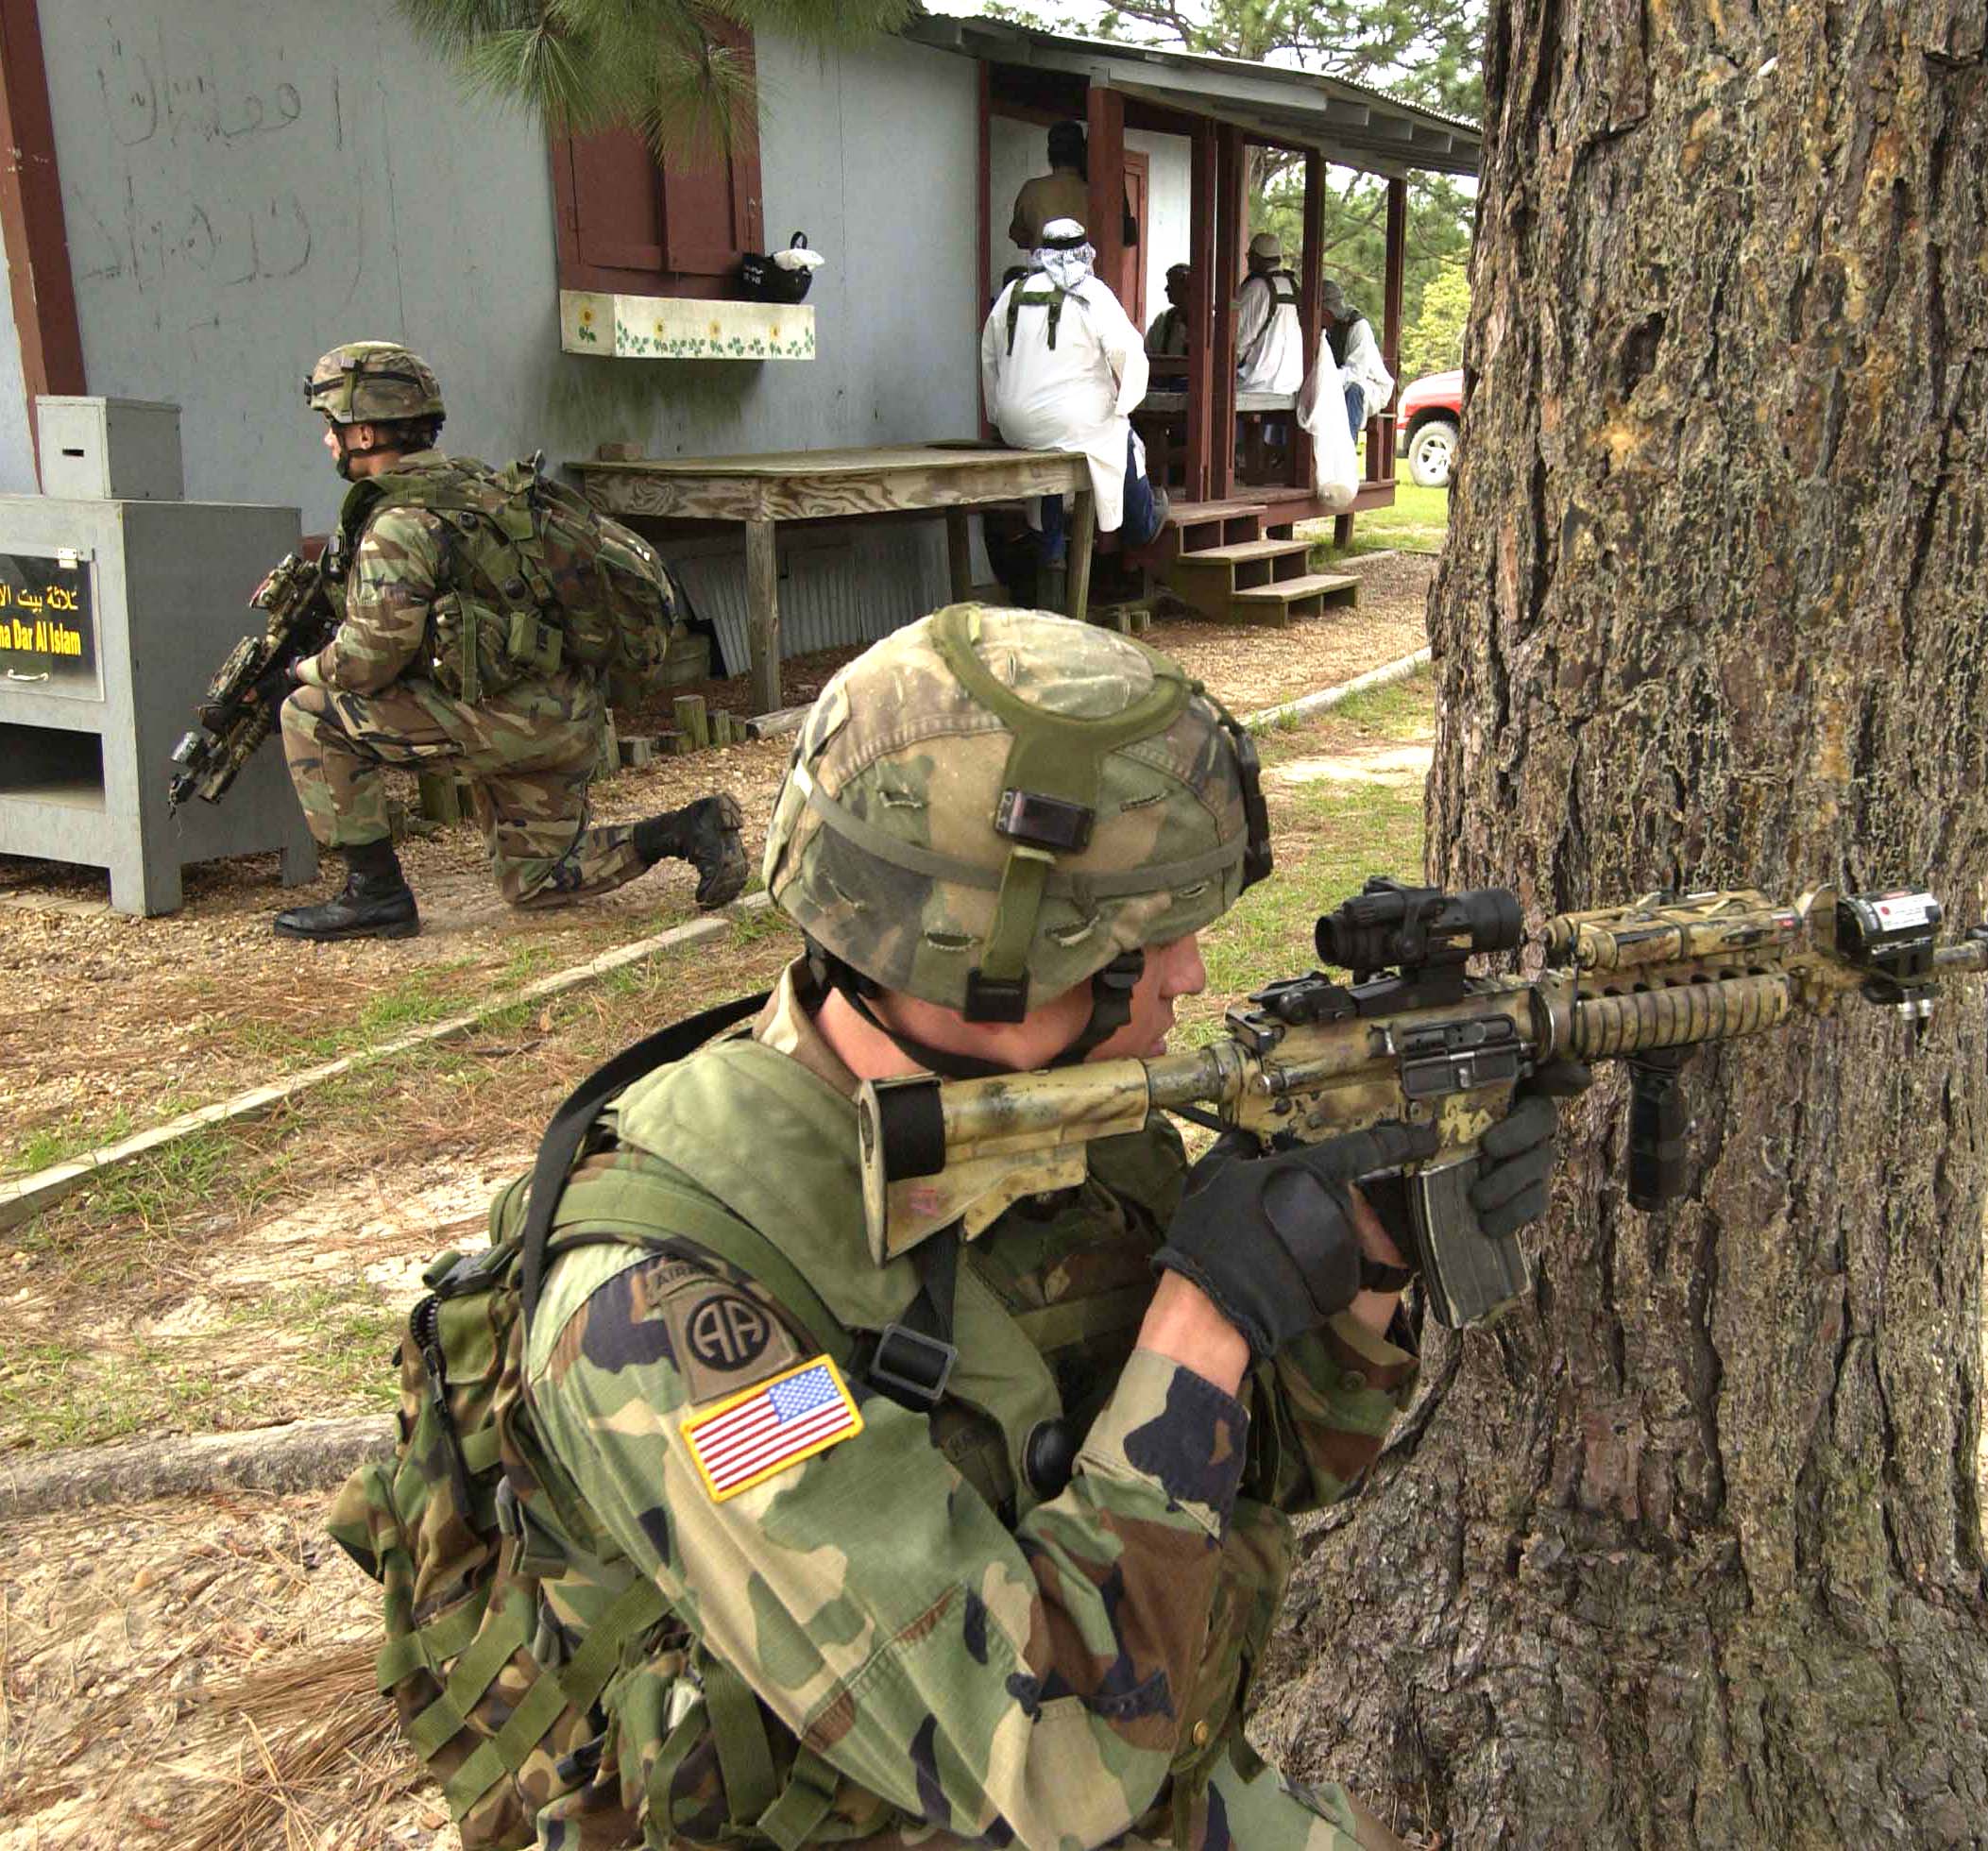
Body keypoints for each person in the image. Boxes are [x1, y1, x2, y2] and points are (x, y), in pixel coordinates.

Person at [510, 604, 1583, 1846]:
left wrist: (1363, 1256)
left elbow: (1266, 1474)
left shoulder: (1056, 1121)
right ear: (986, 953)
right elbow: (1052, 1768)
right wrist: (1207, 1314)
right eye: (1139, 938)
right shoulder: (657, 1312)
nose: (1185, 977)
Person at [274, 343, 746, 941]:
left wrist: (303, 669)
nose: (327, 441)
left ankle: (376, 895)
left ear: (364, 433)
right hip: (568, 716)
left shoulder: (397, 526)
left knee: (310, 715)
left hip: (500, 722)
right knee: (538, 880)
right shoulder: (483, 487)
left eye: (331, 427)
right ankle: (686, 828)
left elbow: (368, 662)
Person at [981, 220, 1164, 573]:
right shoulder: (1092, 292)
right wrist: (1125, 405)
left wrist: (998, 413)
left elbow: (989, 356)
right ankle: (1140, 525)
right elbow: (1128, 352)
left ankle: (1051, 548)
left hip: (1018, 425)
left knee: (1051, 447)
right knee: (1120, 437)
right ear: (1085, 252)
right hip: (1074, 422)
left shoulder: (1012, 293)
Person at [1319, 279, 1397, 442]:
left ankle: (1346, 449)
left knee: (1353, 391)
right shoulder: (1321, 330)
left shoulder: (1357, 326)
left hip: (1371, 384)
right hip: (1335, 385)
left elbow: (1356, 372)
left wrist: (1324, 379)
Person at [1234, 231, 1304, 396]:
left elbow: (1237, 338)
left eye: (1248, 256)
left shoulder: (1257, 287)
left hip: (1257, 383)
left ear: (1256, 257)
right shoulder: (1294, 285)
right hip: (1290, 383)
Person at [1008, 120, 1092, 254]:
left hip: (1044, 271)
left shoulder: (1032, 190)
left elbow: (1018, 236)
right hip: (1085, 272)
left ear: (1050, 153)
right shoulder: (1094, 193)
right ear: (1082, 153)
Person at [1147, 262, 1194, 358]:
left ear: (1187, 286)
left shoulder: (1207, 324)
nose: (1166, 289)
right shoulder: (1162, 320)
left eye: (1171, 283)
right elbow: (1147, 353)